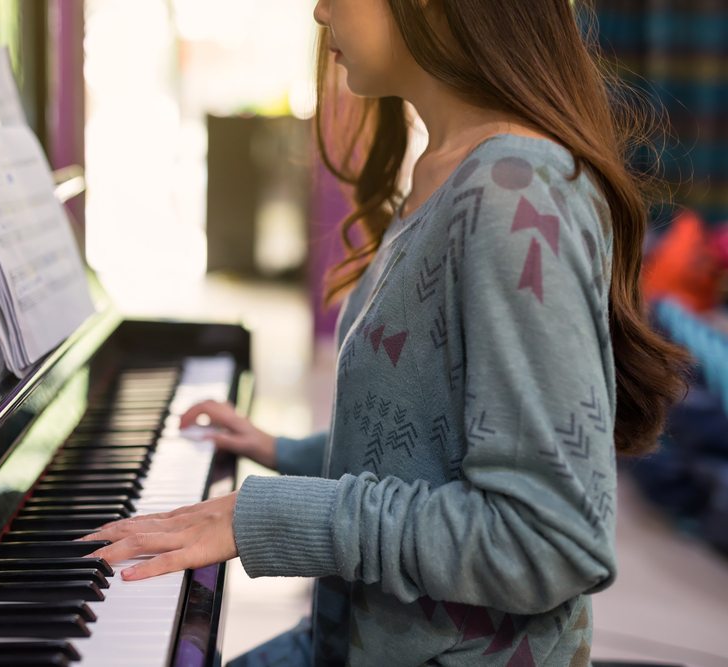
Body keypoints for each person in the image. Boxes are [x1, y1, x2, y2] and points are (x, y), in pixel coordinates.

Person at [80, 0, 689, 664]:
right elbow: (432, 436)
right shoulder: (450, 169)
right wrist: (288, 450)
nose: (318, 11)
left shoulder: (517, 193)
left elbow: (550, 538)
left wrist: (281, 515)